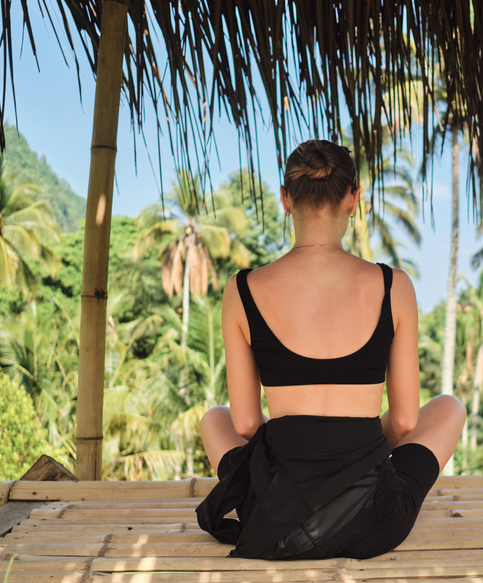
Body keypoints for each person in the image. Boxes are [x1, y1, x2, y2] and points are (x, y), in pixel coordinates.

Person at [196, 139, 465, 560]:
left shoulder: (242, 289)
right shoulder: (393, 286)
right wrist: (349, 447)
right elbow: (405, 421)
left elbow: (246, 424)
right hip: (373, 523)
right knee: (449, 407)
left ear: (285, 199)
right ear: (353, 198)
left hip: (274, 521)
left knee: (215, 417)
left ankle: (286, 497)